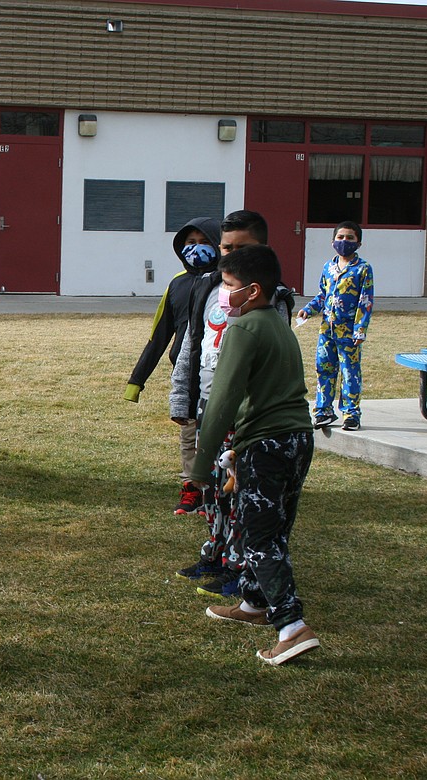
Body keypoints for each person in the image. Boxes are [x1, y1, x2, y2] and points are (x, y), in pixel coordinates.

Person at [191, 244, 318, 666]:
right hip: (297, 438)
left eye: (228, 286)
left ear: (253, 290)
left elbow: (222, 397)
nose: (223, 294)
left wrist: (201, 462)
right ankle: (253, 603)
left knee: (258, 536)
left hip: (266, 444)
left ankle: (292, 626)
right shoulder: (276, 323)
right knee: (273, 529)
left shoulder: (245, 329)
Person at [169, 210, 294, 599]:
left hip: (245, 412)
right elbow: (191, 342)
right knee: (213, 493)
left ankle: (240, 567)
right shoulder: (209, 289)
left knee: (239, 490)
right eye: (226, 247)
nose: (231, 254)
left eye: (242, 248)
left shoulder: (274, 299)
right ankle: (216, 553)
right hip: (210, 402)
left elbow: (268, 360)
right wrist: (182, 396)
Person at [126, 217, 221, 516]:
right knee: (189, 435)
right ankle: (191, 490)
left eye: (204, 242)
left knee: (217, 435)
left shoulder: (225, 282)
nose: (196, 248)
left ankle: (217, 492)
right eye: (190, 243)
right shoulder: (177, 284)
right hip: (186, 372)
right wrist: (136, 381)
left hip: (216, 370)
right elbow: (159, 335)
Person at [296, 221, 374, 431]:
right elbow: (323, 294)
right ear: (333, 241)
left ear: (358, 242)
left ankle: (351, 413)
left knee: (350, 371)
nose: (344, 242)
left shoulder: (363, 269)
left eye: (349, 238)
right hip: (326, 330)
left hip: (348, 331)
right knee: (324, 369)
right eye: (340, 237)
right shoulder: (328, 267)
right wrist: (309, 310)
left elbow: (365, 301)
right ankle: (323, 411)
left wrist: (360, 329)